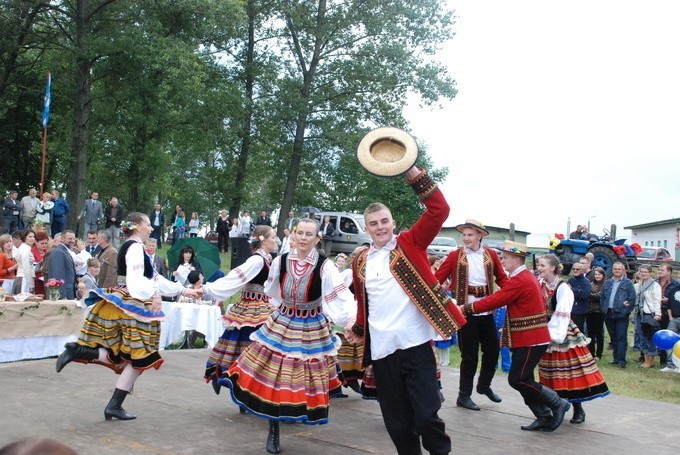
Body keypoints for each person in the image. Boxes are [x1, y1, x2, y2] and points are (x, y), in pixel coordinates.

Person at [350, 167, 466, 454]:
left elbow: (440, 210)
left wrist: (413, 172)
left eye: (384, 221)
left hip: (415, 346)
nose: (380, 227)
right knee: (398, 424)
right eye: (374, 223)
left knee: (427, 416)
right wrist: (359, 328)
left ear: (393, 222)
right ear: (366, 229)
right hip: (382, 351)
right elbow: (365, 301)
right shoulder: (360, 261)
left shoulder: (410, 243)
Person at [219, 218, 355, 454]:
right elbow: (272, 290)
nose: (303, 238)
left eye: (308, 234)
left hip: (311, 324)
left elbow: (340, 296)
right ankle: (274, 430)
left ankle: (293, 410)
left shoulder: (325, 265)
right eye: (299, 233)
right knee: (275, 376)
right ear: (293, 236)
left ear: (317, 238)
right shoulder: (280, 261)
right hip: (283, 321)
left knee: (301, 377)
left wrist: (350, 320)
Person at [55, 212, 200, 420]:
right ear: (137, 226)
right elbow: (136, 280)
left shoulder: (135, 247)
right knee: (140, 358)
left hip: (127, 300)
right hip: (134, 304)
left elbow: (154, 277)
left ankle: (83, 355)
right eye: (148, 224)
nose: (151, 228)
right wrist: (155, 294)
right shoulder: (134, 247)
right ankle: (110, 400)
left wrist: (183, 290)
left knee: (131, 360)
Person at [460, 241, 571, 432]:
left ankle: (557, 403)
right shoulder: (522, 277)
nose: (501, 260)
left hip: (532, 338)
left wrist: (467, 308)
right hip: (529, 337)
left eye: (505, 257)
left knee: (518, 379)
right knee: (523, 378)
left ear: (517, 259)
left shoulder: (522, 279)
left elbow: (497, 299)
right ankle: (543, 415)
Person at [434, 219, 508, 411]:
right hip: (465, 313)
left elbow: (502, 278)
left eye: (470, 235)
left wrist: (514, 293)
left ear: (479, 235)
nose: (466, 239)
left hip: (486, 310)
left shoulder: (490, 254)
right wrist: (443, 300)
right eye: (464, 235)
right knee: (469, 356)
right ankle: (463, 396)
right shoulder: (454, 256)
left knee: (492, 350)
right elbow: (436, 279)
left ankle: (484, 385)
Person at [202, 225, 278, 396]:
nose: (275, 240)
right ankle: (229, 378)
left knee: (248, 346)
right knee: (251, 346)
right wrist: (208, 289)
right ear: (263, 240)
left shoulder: (266, 259)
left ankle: (242, 385)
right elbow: (235, 277)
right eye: (273, 237)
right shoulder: (257, 260)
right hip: (253, 308)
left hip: (262, 306)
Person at [536, 254, 609, 426]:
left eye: (542, 266)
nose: (539, 268)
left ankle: (578, 409)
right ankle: (555, 407)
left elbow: (563, 313)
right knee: (549, 372)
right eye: (538, 265)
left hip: (561, 333)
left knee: (567, 372)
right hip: (544, 330)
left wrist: (552, 334)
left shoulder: (563, 288)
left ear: (553, 268)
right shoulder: (540, 284)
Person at [601, 262, 636, 368]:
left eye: (619, 269)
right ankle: (615, 358)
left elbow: (632, 299)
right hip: (608, 314)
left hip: (621, 314)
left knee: (621, 337)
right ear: (612, 270)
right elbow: (602, 296)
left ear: (623, 270)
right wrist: (603, 308)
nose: (617, 271)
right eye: (615, 269)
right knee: (613, 338)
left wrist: (626, 311)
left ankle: (621, 360)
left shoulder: (628, 283)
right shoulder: (607, 283)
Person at [634, 264, 662, 368]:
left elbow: (657, 300)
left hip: (649, 314)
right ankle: (646, 360)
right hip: (639, 313)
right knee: (642, 337)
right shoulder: (639, 284)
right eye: (642, 272)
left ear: (650, 273)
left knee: (649, 338)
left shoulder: (655, 285)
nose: (643, 274)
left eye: (645, 272)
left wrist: (657, 314)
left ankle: (650, 361)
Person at [656, 263, 678, 367]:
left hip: (668, 313)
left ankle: (665, 360)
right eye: (659, 269)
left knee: (667, 337)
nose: (659, 271)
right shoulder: (654, 283)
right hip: (655, 312)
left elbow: (676, 299)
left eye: (662, 270)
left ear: (669, 272)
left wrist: (667, 300)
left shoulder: (675, 284)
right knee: (655, 335)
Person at [48, 230, 77, 299]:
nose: (72, 241)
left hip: (68, 291)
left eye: (73, 239)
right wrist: (61, 294)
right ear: (62, 239)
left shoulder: (65, 251)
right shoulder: (58, 252)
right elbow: (57, 274)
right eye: (70, 238)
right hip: (63, 293)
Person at [587, 267, 607, 360]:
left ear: (603, 275)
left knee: (599, 333)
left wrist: (589, 295)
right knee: (590, 333)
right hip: (590, 311)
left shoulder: (605, 285)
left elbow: (599, 296)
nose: (597, 276)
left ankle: (599, 354)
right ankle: (591, 352)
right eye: (595, 274)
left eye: (599, 274)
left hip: (599, 312)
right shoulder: (590, 284)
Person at [566, 262, 591, 333]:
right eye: (573, 269)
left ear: (582, 270)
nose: (575, 270)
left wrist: (572, 289)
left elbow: (585, 295)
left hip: (580, 311)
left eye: (577, 269)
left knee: (578, 331)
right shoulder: (570, 280)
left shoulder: (586, 281)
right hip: (570, 310)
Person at [13, 229, 36, 294]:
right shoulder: (25, 250)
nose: (32, 239)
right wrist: (31, 284)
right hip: (24, 279)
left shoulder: (26, 248)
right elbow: (26, 268)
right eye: (30, 237)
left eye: (33, 237)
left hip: (25, 278)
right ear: (24, 237)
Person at [31, 231, 50, 296]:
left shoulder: (48, 251)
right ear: (36, 242)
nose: (44, 245)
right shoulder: (31, 252)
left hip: (46, 279)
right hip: (36, 280)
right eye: (42, 243)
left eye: (46, 243)